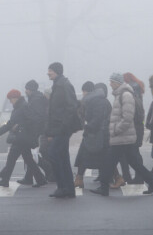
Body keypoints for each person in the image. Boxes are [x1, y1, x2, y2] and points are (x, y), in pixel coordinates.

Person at [90, 73, 153, 196]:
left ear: (117, 82)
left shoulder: (125, 95)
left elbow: (127, 117)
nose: (110, 84)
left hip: (122, 136)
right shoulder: (120, 94)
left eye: (111, 82)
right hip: (124, 136)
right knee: (134, 163)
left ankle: (104, 188)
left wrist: (116, 129)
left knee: (109, 162)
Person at [0, 89, 47, 187]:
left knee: (11, 158)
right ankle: (40, 179)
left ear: (16, 98)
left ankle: (5, 180)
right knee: (28, 159)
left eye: (11, 99)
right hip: (21, 137)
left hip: (22, 138)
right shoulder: (18, 107)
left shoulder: (23, 107)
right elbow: (10, 123)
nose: (10, 101)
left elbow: (32, 120)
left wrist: (20, 126)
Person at [45, 62, 82, 198]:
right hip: (58, 127)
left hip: (62, 128)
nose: (48, 72)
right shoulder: (58, 85)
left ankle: (62, 187)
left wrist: (63, 126)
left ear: (57, 72)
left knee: (53, 154)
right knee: (63, 157)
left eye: (50, 70)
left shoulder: (64, 85)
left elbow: (71, 106)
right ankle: (68, 188)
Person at [73, 81, 110, 188]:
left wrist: (88, 127)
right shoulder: (99, 101)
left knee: (85, 157)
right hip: (97, 134)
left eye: (83, 91)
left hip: (97, 134)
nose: (83, 94)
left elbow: (97, 119)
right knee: (102, 158)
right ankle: (116, 177)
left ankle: (79, 179)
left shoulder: (97, 101)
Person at [19, 80, 54, 185]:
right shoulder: (35, 98)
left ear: (30, 89)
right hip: (37, 130)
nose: (25, 91)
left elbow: (38, 117)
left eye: (26, 89)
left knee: (32, 154)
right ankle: (29, 177)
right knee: (30, 154)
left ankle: (48, 170)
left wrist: (33, 128)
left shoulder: (36, 100)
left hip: (36, 131)